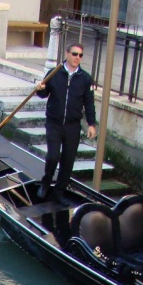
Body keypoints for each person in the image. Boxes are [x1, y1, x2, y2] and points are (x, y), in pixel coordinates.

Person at [35, 42, 97, 206]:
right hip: (54, 123)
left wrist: (91, 124)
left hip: (72, 125)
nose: (78, 58)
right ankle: (46, 183)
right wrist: (39, 88)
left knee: (68, 161)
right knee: (53, 156)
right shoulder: (54, 73)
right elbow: (43, 93)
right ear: (67, 54)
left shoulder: (85, 79)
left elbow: (89, 103)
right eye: (75, 54)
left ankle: (59, 192)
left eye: (80, 55)